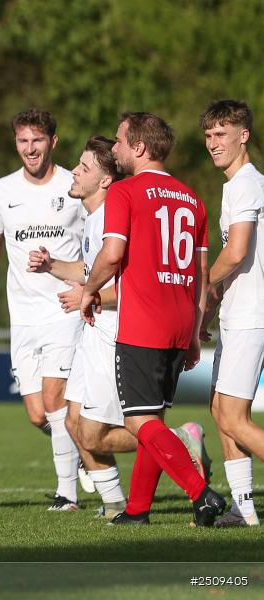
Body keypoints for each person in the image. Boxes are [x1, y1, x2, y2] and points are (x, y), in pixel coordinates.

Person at [29, 136, 210, 518]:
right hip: (94, 331)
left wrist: (88, 295)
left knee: (101, 430)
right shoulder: (95, 218)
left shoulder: (120, 206)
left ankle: (179, 440)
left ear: (105, 180)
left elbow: (128, 281)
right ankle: (118, 505)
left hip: (117, 333)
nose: (73, 172)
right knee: (73, 420)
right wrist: (54, 267)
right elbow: (89, 268)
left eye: (84, 167)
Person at [80, 112, 226, 526]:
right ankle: (138, 509)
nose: (115, 149)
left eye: (121, 142)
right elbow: (200, 276)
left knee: (139, 421)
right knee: (154, 418)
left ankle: (201, 494)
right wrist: (196, 332)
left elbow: (111, 256)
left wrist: (89, 291)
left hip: (144, 320)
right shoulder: (192, 199)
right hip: (181, 322)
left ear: (140, 147)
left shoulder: (125, 192)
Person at [0, 108, 85, 511]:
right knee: (38, 414)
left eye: (37, 140)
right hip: (23, 316)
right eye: (23, 141)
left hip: (65, 311)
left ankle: (66, 493)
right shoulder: (1, 191)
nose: (30, 148)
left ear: (53, 142)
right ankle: (82, 451)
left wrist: (91, 291)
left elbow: (103, 245)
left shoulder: (78, 185)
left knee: (55, 400)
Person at [198, 100, 264, 527]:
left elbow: (237, 252)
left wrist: (202, 286)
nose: (212, 143)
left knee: (233, 417)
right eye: (208, 136)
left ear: (243, 135)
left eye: (221, 134)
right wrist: (213, 301)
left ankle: (244, 507)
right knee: (220, 408)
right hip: (239, 312)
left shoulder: (245, 183)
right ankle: (244, 508)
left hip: (252, 316)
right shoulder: (236, 184)